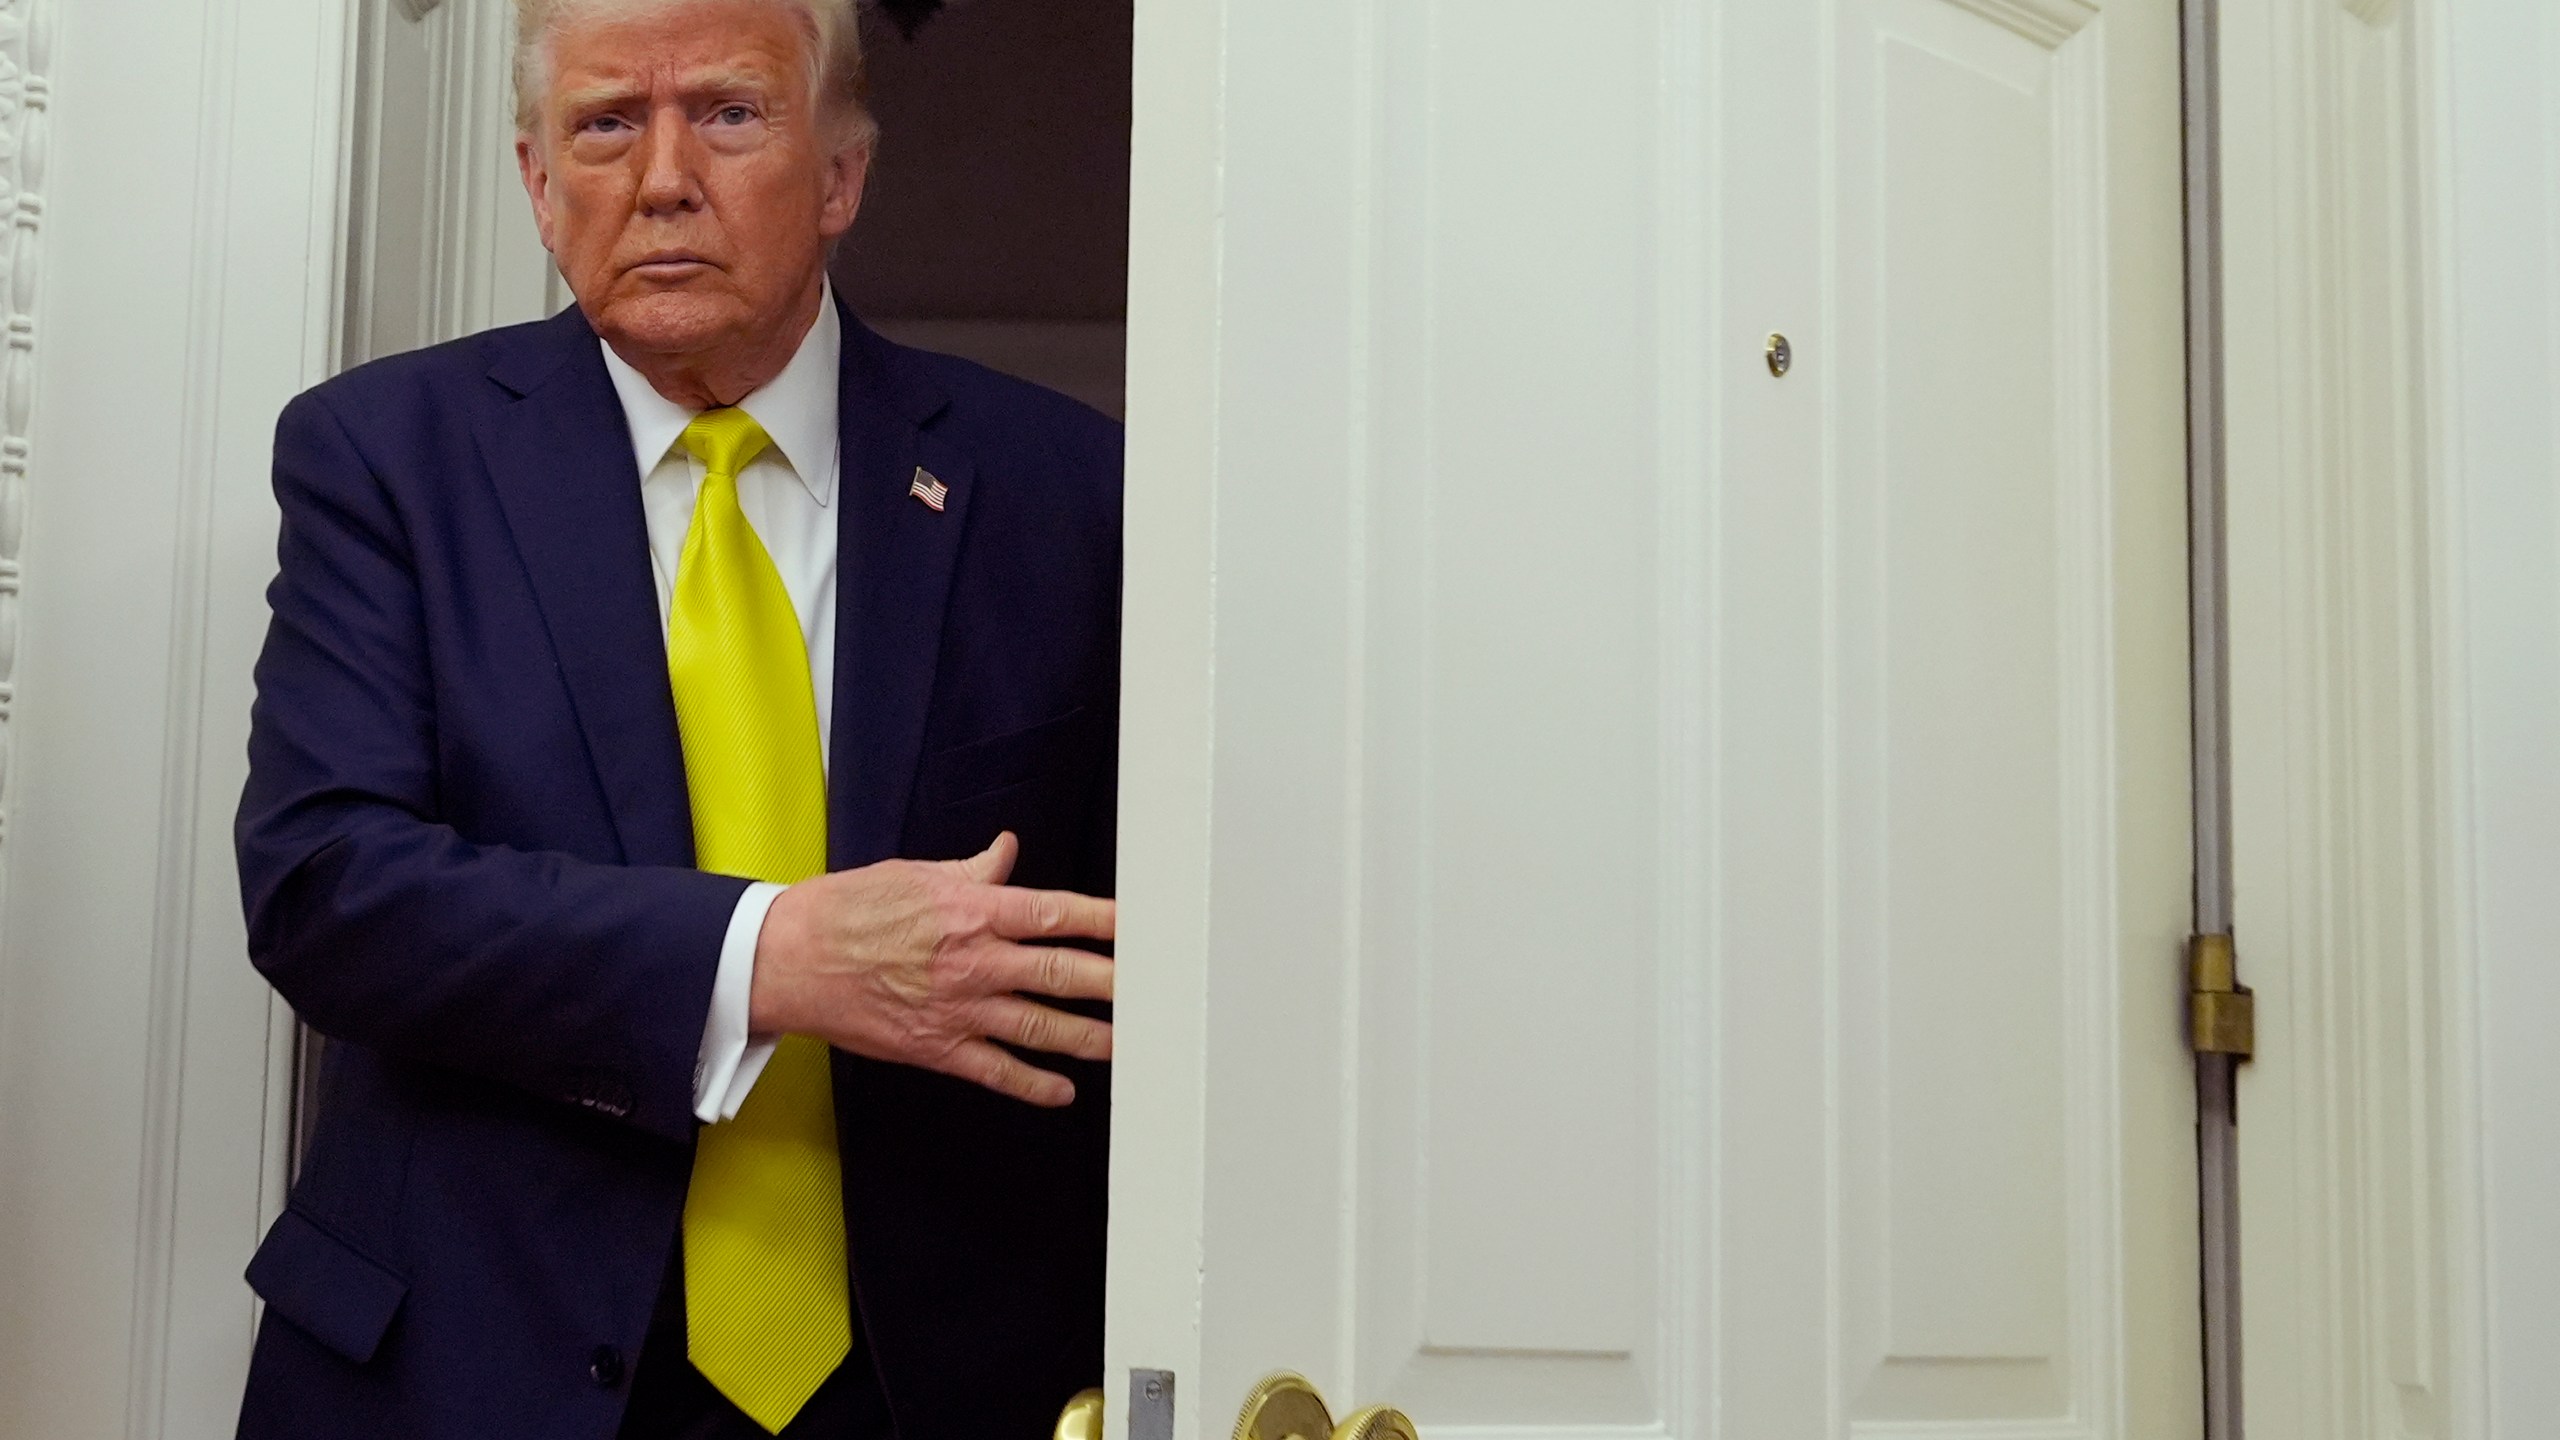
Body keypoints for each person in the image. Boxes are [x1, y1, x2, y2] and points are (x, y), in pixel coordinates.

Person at [231, 0, 1121, 1435]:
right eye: (603, 124)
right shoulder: (385, 458)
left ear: (841, 172)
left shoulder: (1069, 491)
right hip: (467, 1363)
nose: (659, 178)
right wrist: (771, 957)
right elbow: (330, 888)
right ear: (536, 182)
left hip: (931, 1381)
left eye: (726, 113)